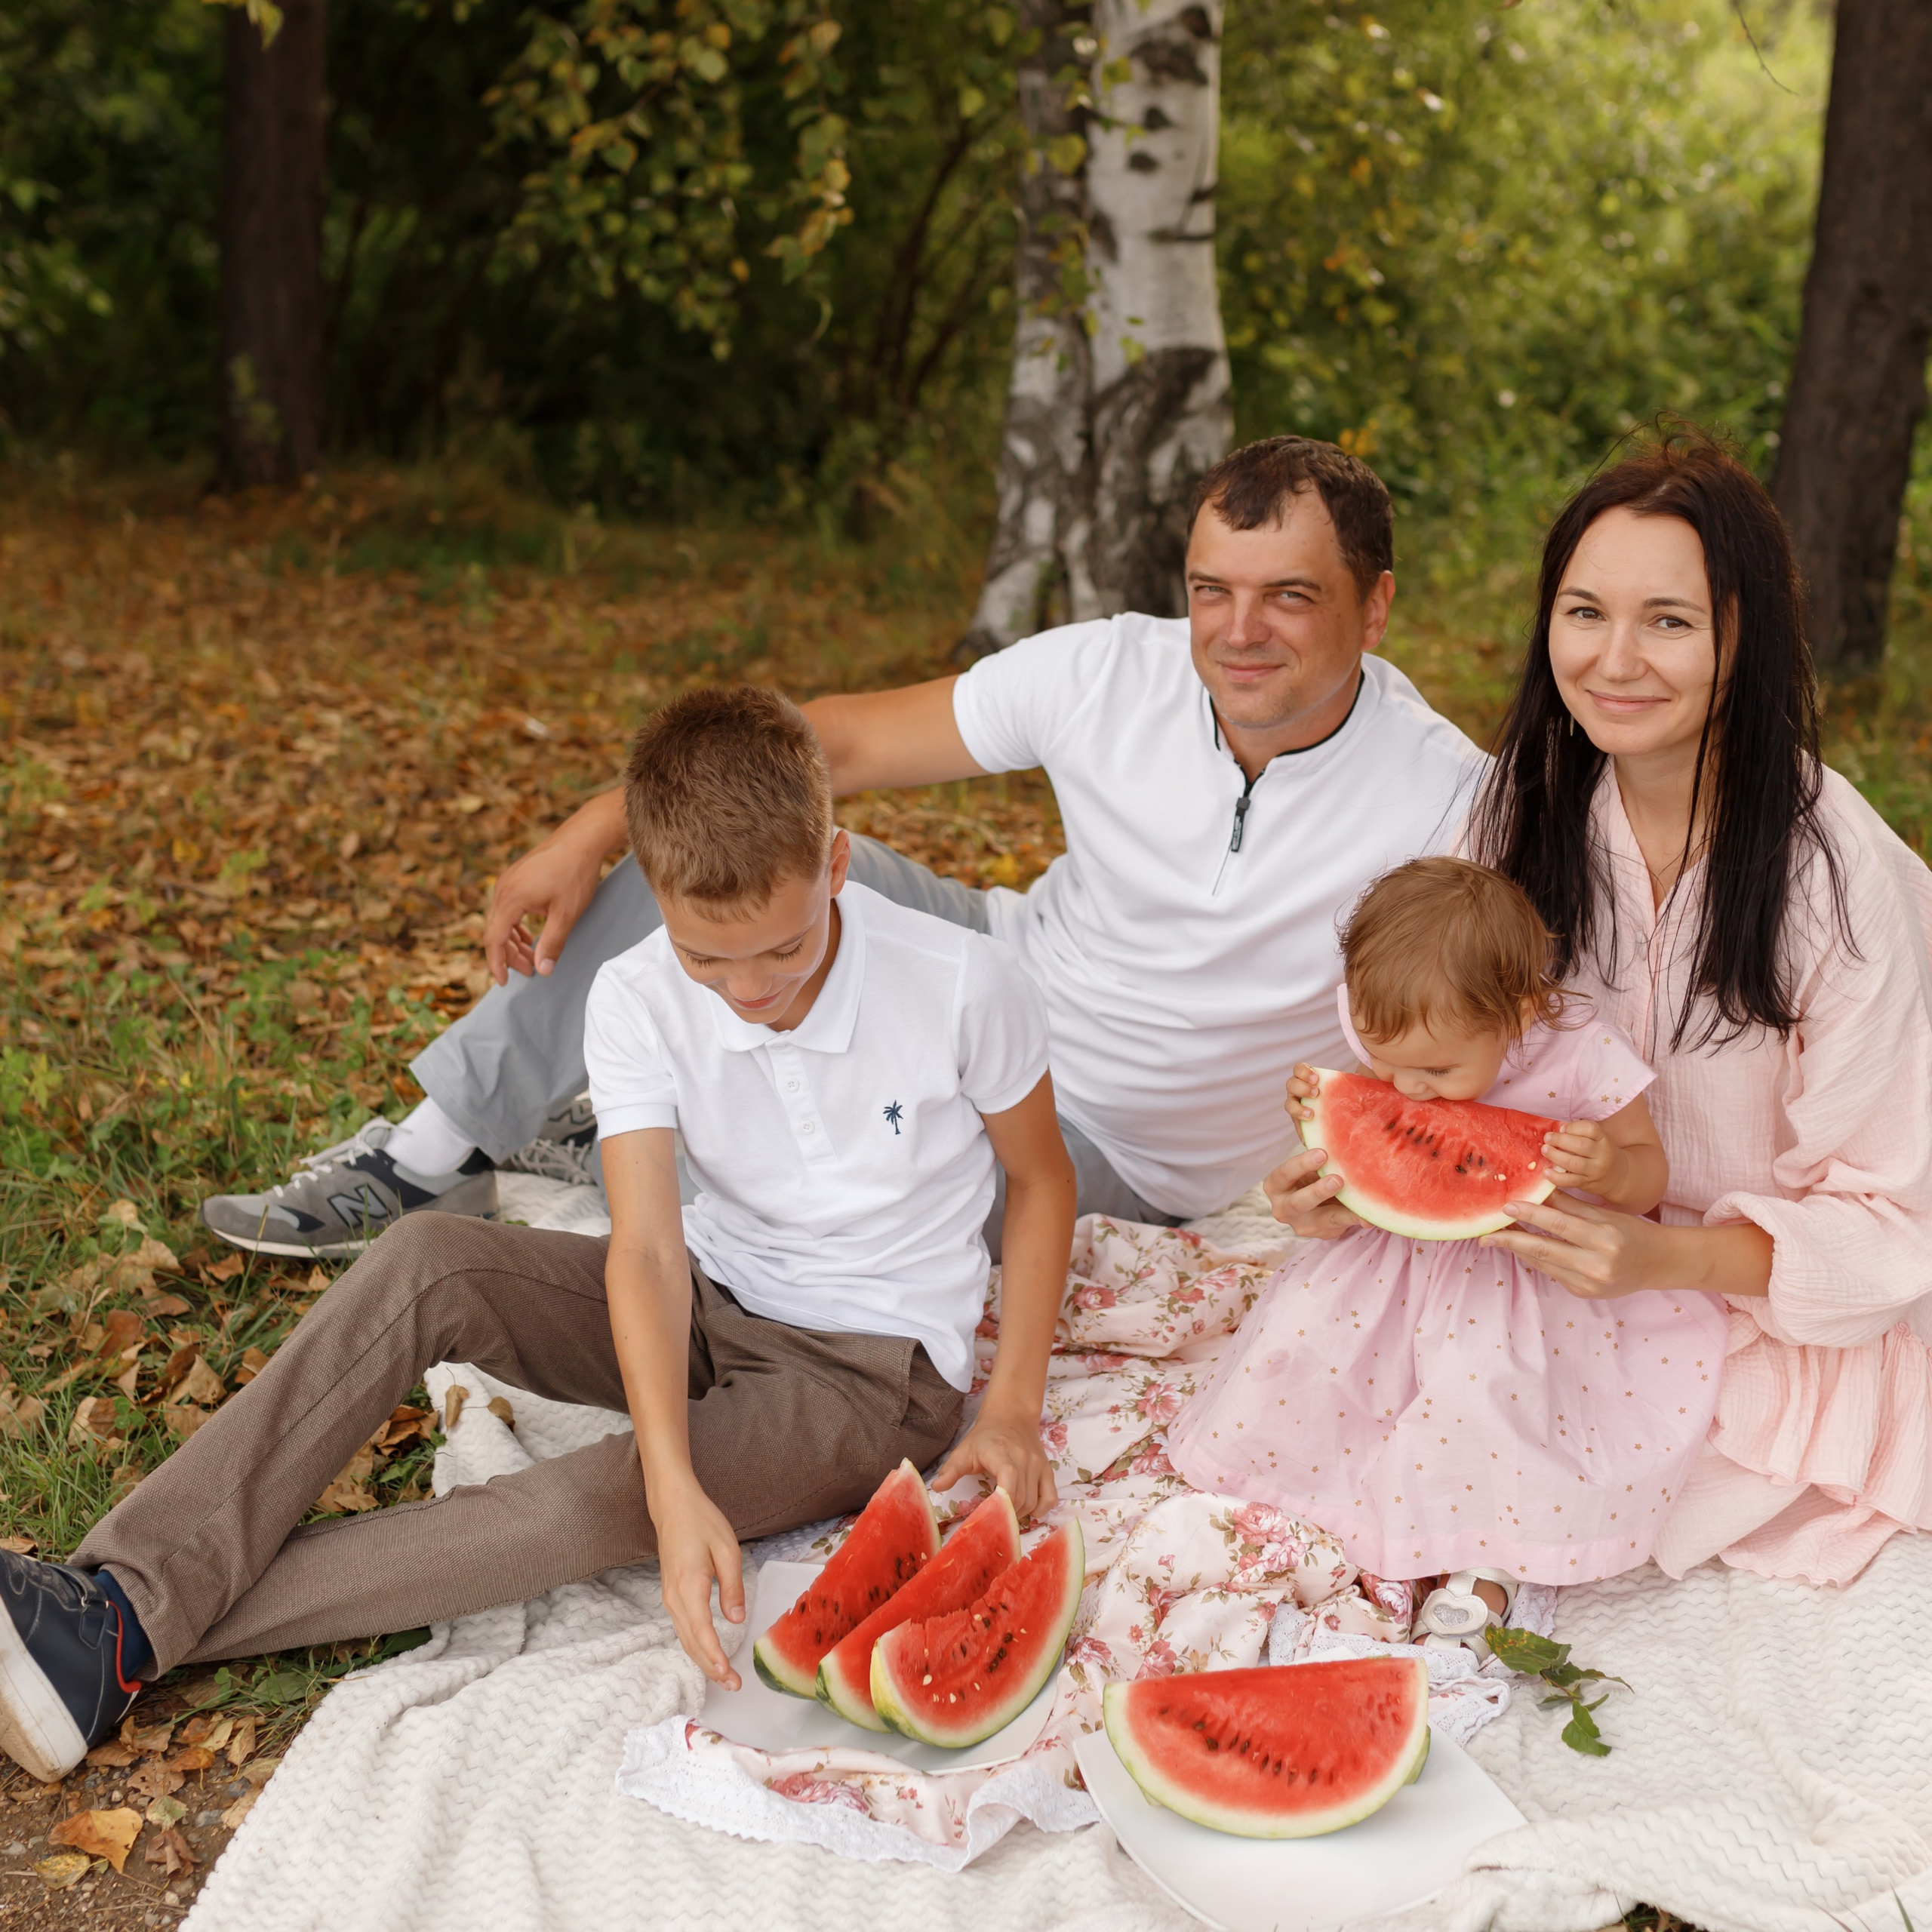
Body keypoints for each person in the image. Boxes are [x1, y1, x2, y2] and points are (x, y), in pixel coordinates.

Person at [0, 687, 1076, 1781]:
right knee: (431, 1260)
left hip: (870, 1375)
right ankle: (117, 1603)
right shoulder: (636, 996)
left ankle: (116, 1633)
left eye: (783, 949)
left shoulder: (964, 983)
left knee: (585, 1504)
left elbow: (1041, 1184)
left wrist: (1013, 1411)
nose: (749, 990)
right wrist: (674, 1469)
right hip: (711, 1293)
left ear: (838, 864)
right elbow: (649, 1249)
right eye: (711, 959)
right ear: (656, 898)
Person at [198, 436, 1487, 1256]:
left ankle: (611, 1150)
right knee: (728, 834)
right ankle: (428, 1156)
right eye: (1214, 589)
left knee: (849, 1218)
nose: (1237, 630)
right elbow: (831, 746)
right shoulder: (1109, 670)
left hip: (1114, 1145)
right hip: (994, 955)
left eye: (1290, 596)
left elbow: (1545, 995)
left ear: (1374, 610)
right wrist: (588, 832)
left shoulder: (1446, 798)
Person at [1270, 427, 1932, 1589]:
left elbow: (1892, 1227)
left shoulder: (1840, 876)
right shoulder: (1521, 806)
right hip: (1550, 1264)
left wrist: (1658, 1259)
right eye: (1584, 613)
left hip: (1748, 1293)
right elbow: (1421, 1022)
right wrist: (1347, 1165)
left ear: (1746, 641)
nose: (1614, 660)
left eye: (1668, 621)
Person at [1166, 857, 1727, 1649]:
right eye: (1384, 1063)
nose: (1410, 1089)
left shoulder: (1580, 1052)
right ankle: (1309, 1495)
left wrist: (1610, 1166)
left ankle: (1490, 1558)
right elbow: (1387, 1140)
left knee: (1486, 1391)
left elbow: (1645, 1178)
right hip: (1387, 1268)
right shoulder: (1401, 1026)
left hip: (1529, 1277)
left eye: (1434, 1070)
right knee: (1314, 1353)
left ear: (1521, 1013)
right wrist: (1329, 1121)